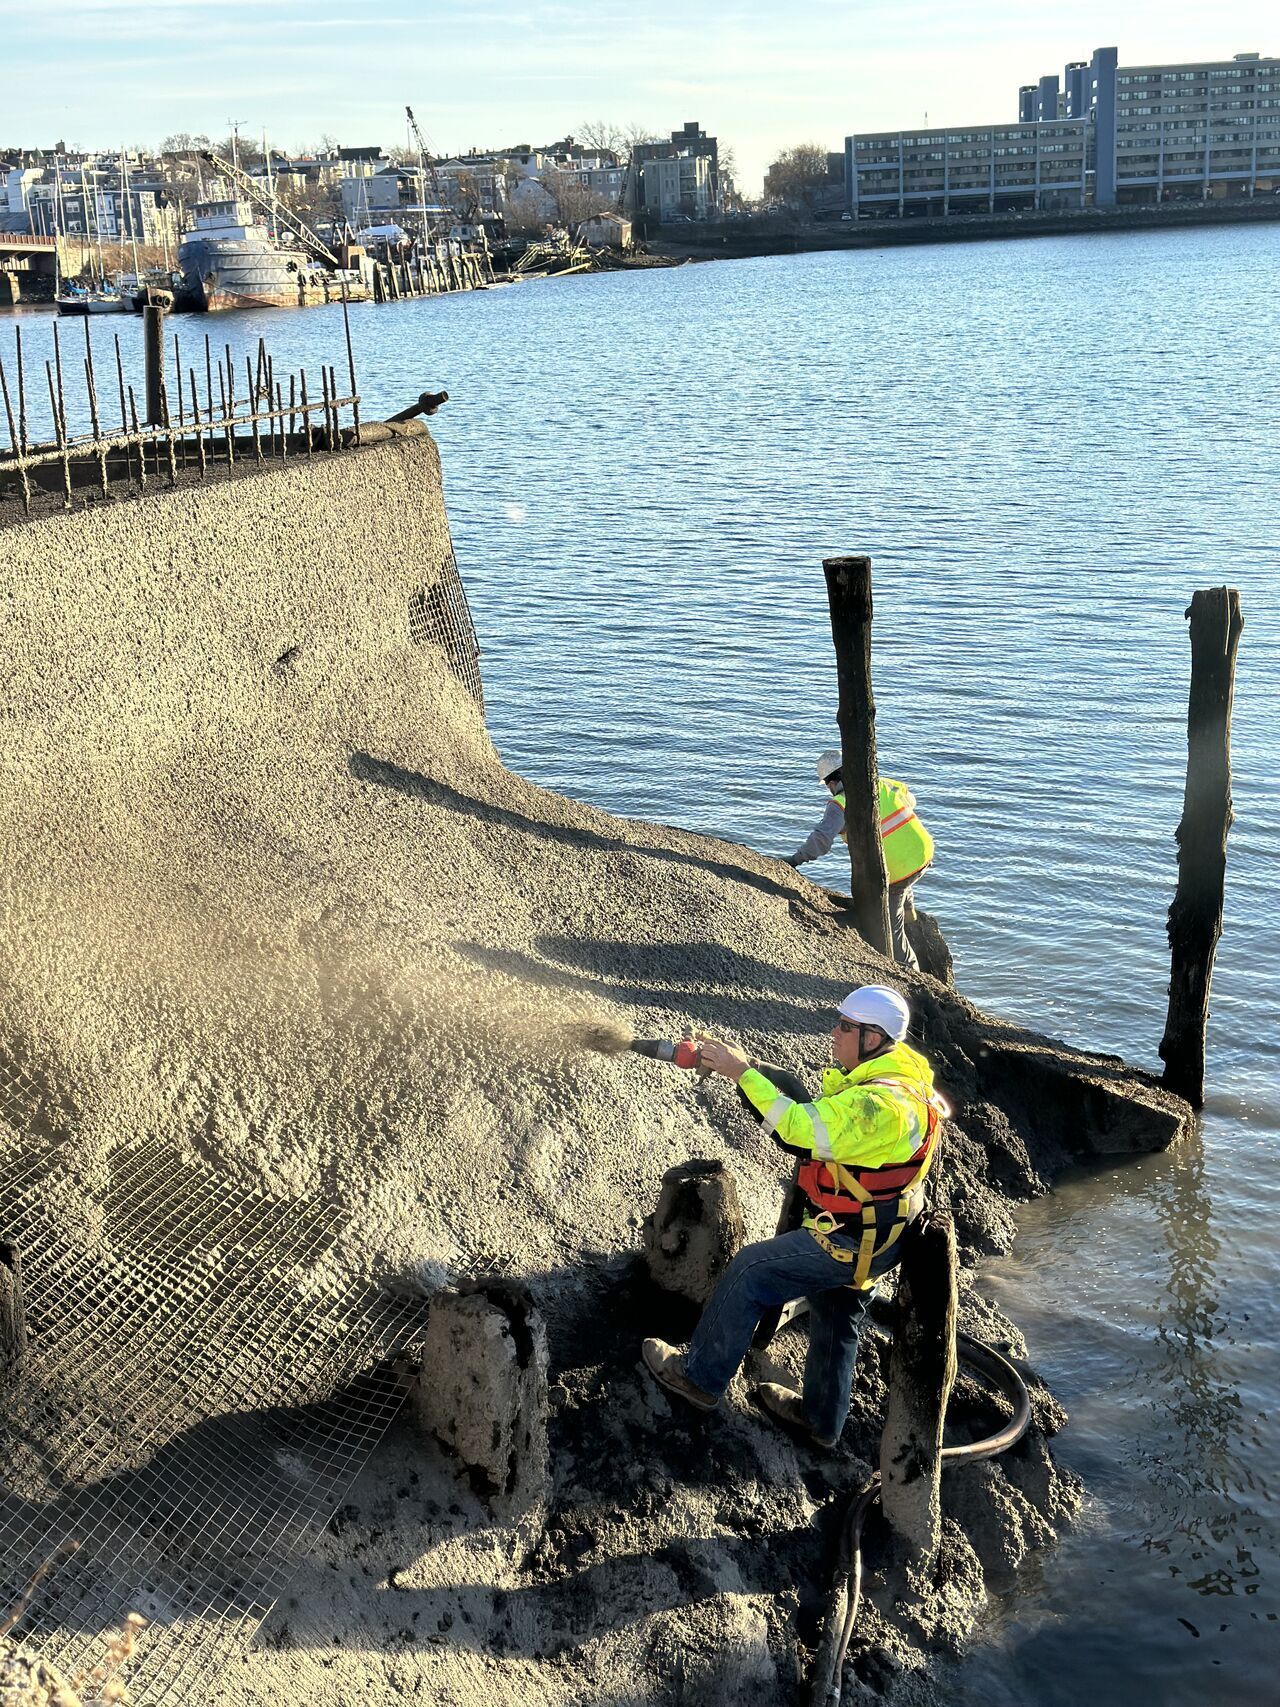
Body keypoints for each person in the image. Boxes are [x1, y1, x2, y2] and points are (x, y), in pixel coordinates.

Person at [641, 985, 946, 1449]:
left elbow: (799, 1131)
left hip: (850, 1238)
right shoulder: (901, 1076)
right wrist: (749, 1071)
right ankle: (821, 1421)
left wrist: (742, 1072)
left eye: (845, 1026)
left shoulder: (878, 1106)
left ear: (873, 1037)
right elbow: (808, 1109)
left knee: (749, 1270)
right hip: (882, 1232)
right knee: (837, 1310)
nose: (834, 1033)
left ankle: (698, 1379)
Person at [784, 750, 933, 970]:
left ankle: (912, 972)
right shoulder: (881, 783)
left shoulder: (841, 804)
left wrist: (794, 860)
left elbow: (821, 840)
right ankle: (909, 910)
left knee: (890, 928)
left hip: (898, 869)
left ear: (832, 781)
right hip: (924, 851)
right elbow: (911, 800)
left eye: (827, 784)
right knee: (903, 880)